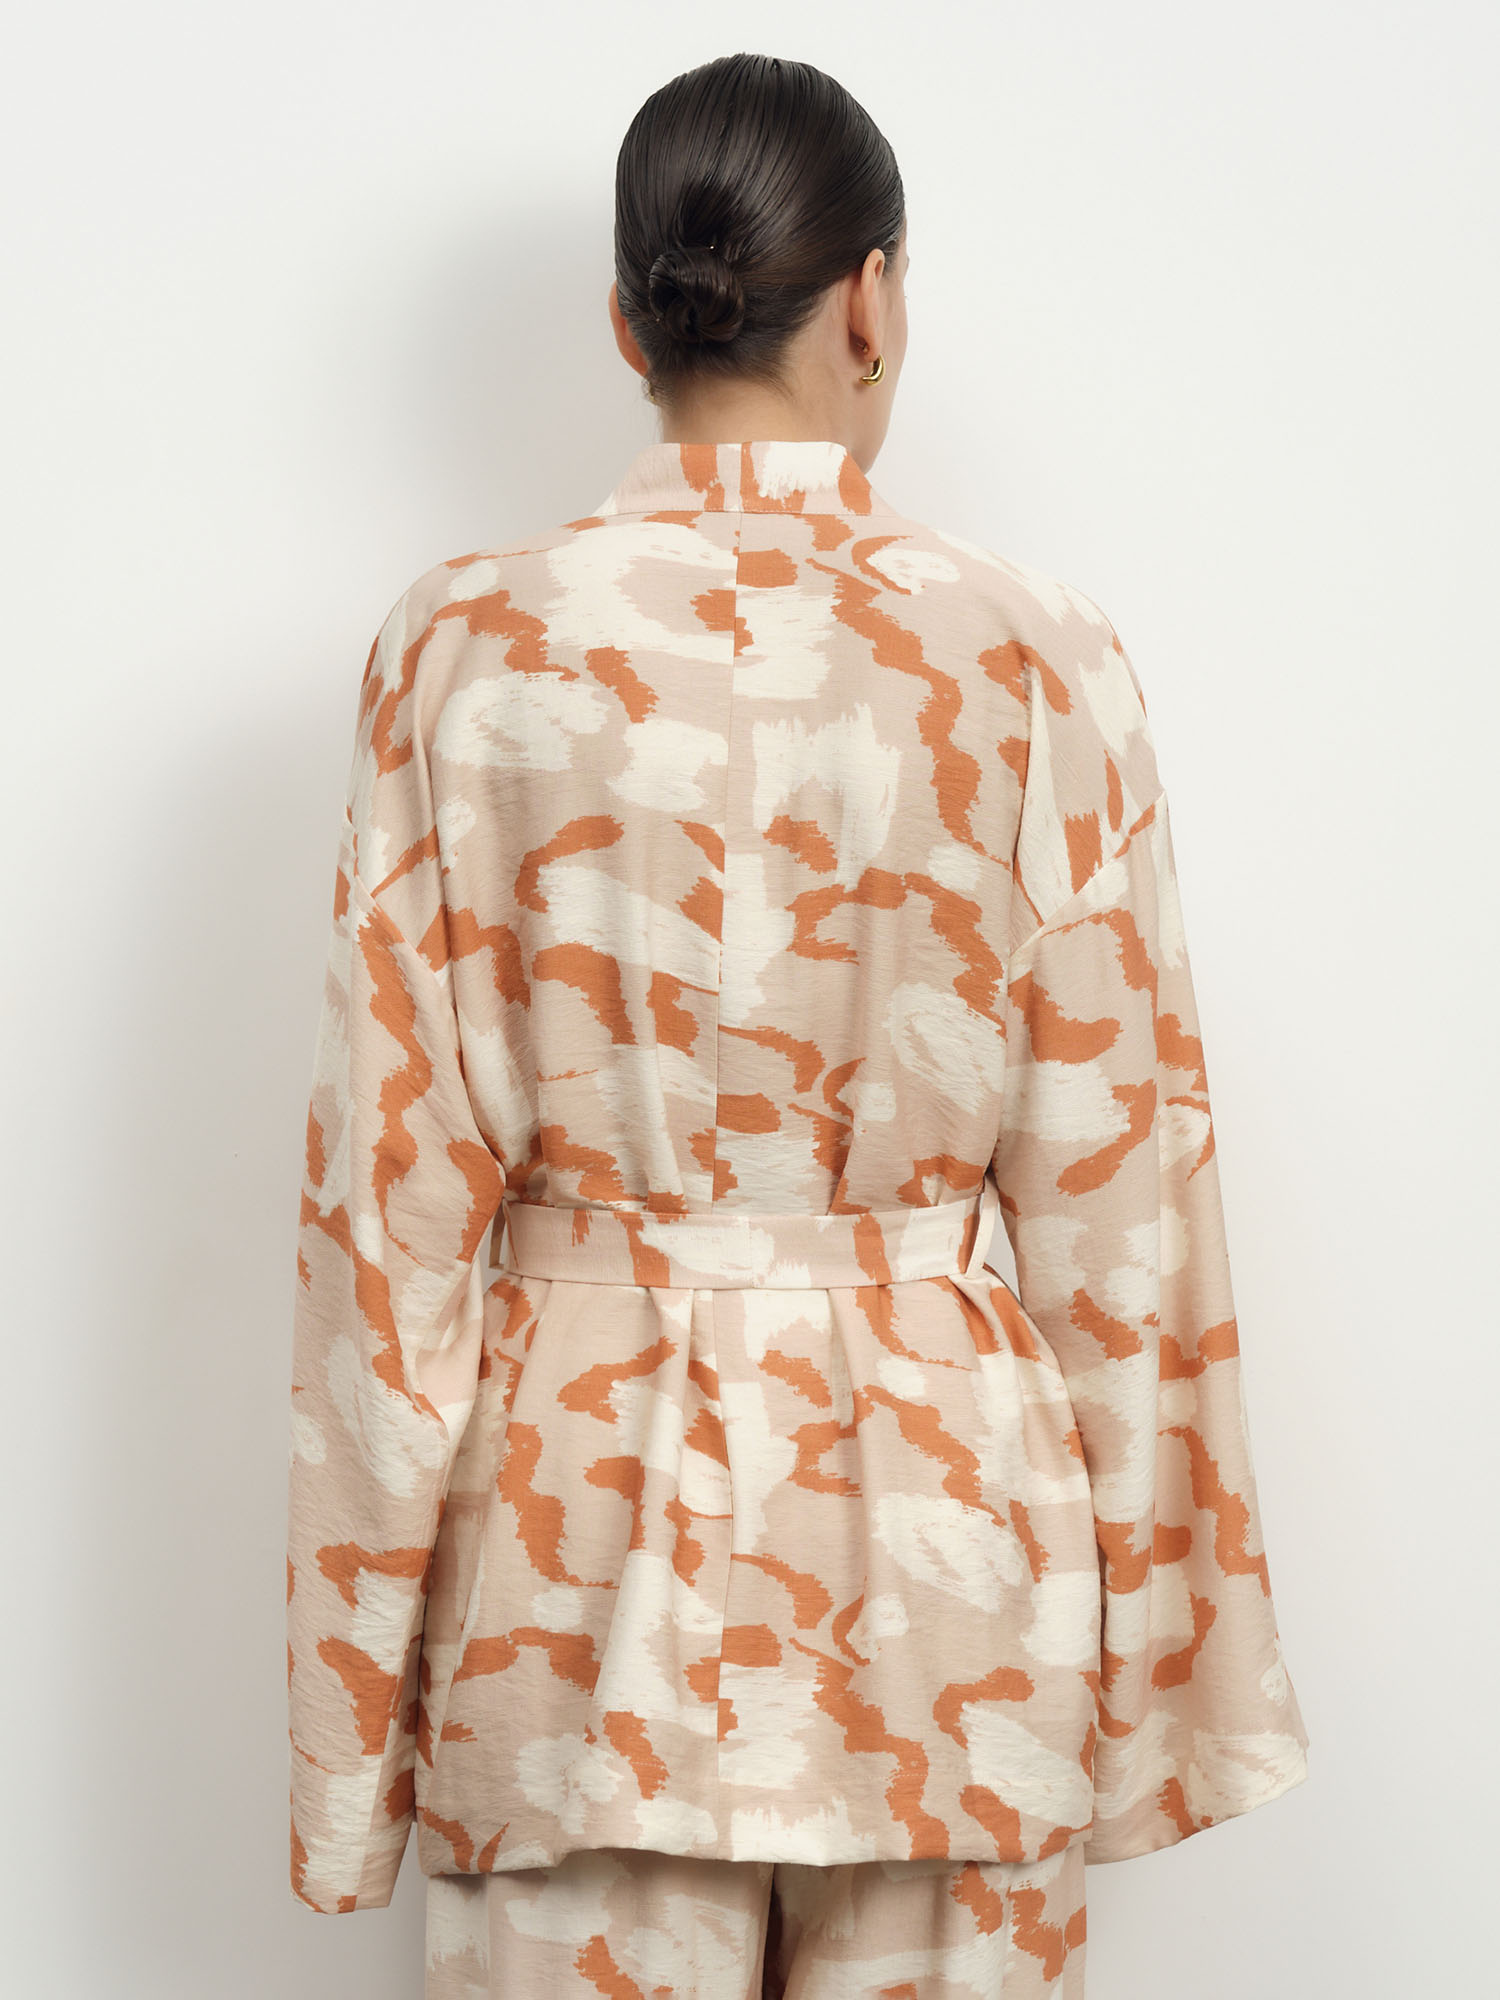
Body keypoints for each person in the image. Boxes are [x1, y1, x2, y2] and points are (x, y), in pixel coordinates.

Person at [285, 50, 1311, 2000]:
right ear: (872, 297)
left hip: (573, 1602)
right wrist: (1171, 1707)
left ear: (628, 323)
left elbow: (384, 1237)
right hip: (949, 1603)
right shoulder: (1036, 656)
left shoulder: (460, 652)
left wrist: (349, 1765)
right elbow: (1129, 1220)